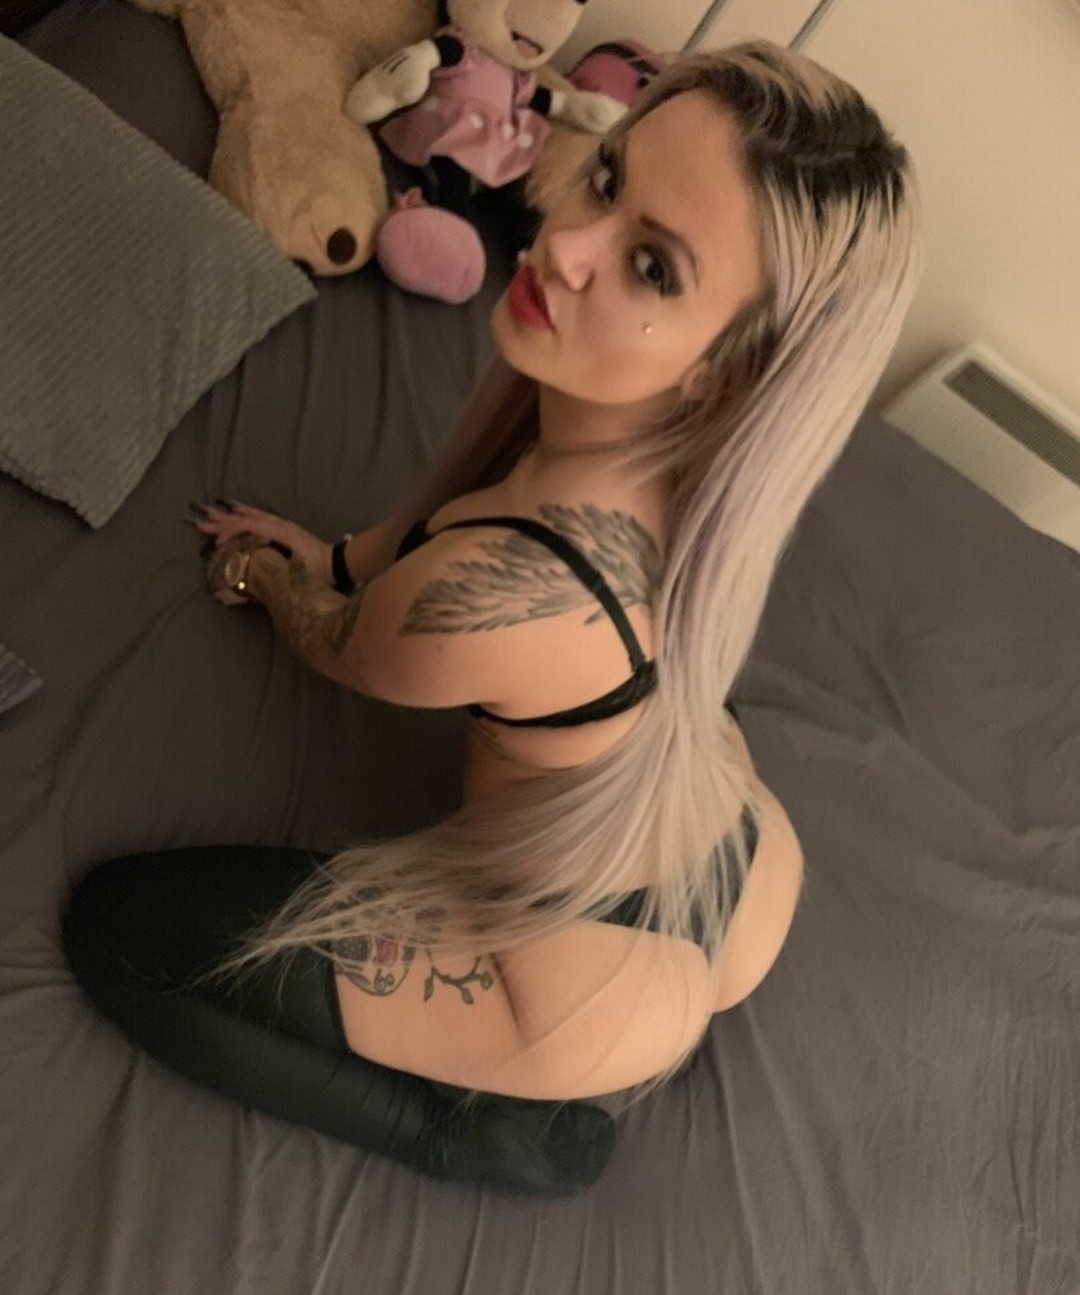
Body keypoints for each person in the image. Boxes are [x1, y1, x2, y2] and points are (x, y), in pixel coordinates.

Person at [62, 39, 922, 1196]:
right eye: (607, 178)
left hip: (587, 994)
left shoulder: (489, 599)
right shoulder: (705, 497)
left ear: (726, 371)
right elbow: (441, 528)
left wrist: (266, 571)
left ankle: (490, 1135)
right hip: (743, 861)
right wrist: (343, 553)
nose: (563, 244)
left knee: (119, 936)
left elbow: (339, 640)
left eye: (652, 268)